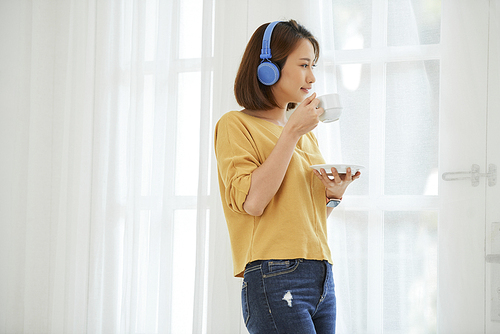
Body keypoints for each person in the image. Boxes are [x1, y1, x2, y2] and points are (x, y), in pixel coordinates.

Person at [214, 19, 360, 334]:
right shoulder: (235, 126)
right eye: (304, 64)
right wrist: (292, 131)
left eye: (314, 66)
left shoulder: (304, 136)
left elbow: (300, 218)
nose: (312, 76)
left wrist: (334, 195)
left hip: (320, 274)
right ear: (268, 68)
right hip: (276, 274)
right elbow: (254, 202)